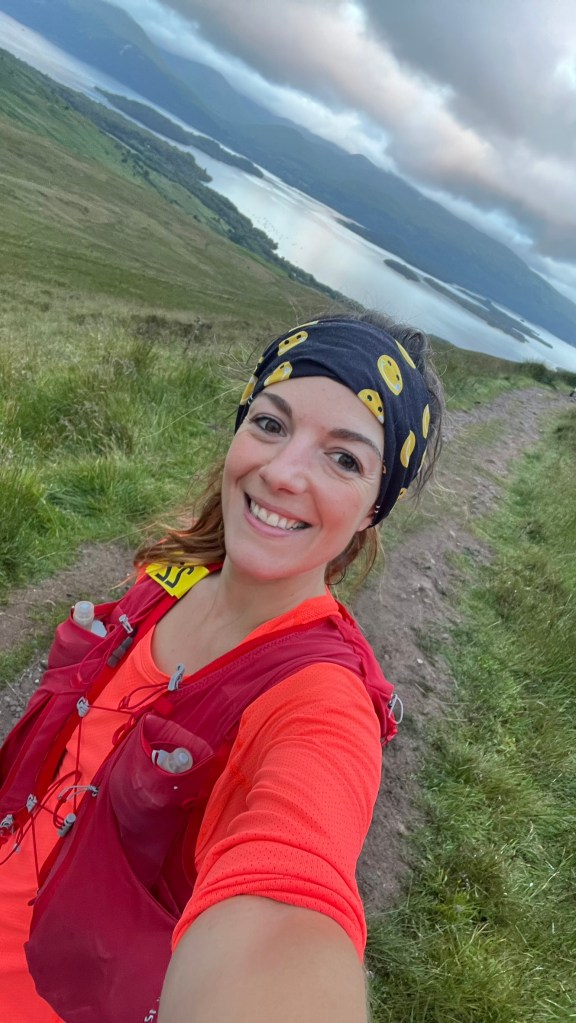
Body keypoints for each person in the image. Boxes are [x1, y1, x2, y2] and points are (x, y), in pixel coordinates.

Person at [0, 311, 443, 1023]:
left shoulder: (322, 701)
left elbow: (287, 904)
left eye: (344, 458)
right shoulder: (169, 579)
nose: (283, 471)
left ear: (371, 510)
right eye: (271, 423)